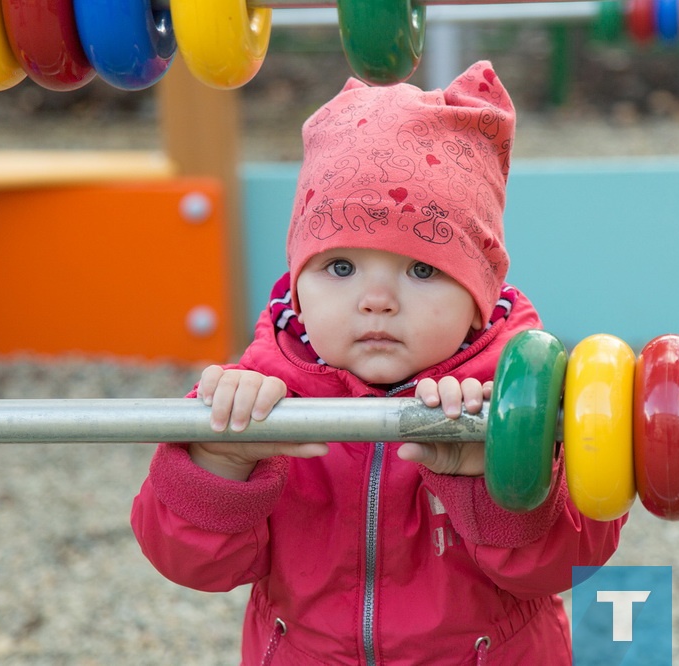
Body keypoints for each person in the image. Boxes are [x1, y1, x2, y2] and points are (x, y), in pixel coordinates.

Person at [131, 60, 626, 665]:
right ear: (296, 285)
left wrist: (490, 479)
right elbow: (189, 562)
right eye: (340, 268)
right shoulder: (262, 394)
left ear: (480, 297)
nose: (377, 299)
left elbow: (563, 566)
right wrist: (219, 460)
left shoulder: (519, 400)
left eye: (422, 270)